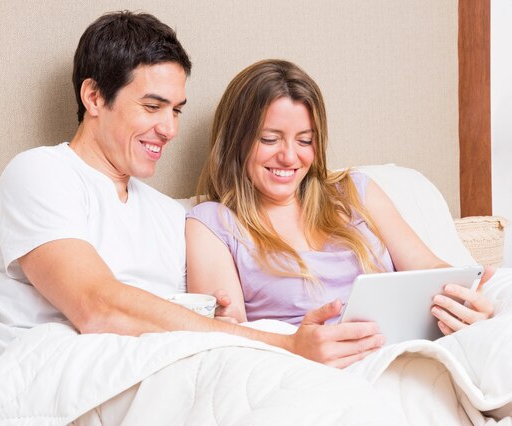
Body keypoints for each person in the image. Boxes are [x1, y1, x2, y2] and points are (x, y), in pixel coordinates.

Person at [0, 12, 383, 368]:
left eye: (176, 110)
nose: (169, 129)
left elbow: (193, 322)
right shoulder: (40, 174)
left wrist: (222, 318)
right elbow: (98, 307)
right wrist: (286, 346)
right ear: (94, 96)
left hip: (154, 374)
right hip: (54, 376)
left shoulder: (169, 215)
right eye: (153, 107)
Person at [186, 59, 495, 366]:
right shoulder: (212, 223)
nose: (289, 156)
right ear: (235, 141)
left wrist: (463, 294)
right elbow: (230, 333)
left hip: (406, 352)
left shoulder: (354, 190)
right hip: (317, 372)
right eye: (269, 139)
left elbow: (428, 267)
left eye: (305, 140)